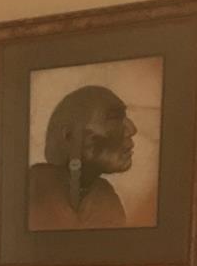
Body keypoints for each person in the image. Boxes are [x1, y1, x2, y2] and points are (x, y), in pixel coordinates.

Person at [27, 84, 137, 231]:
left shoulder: (106, 199)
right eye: (113, 118)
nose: (132, 129)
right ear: (69, 136)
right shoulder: (31, 190)